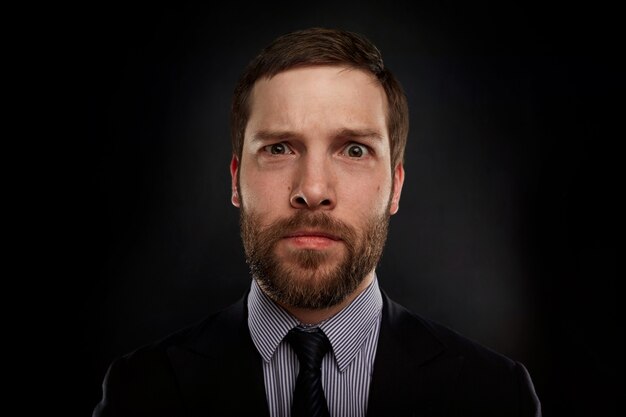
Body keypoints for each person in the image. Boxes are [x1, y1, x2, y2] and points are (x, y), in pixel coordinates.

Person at [93, 27, 541, 417]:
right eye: (279, 148)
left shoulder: (496, 395)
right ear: (235, 182)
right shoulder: (140, 391)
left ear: (396, 187)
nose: (312, 189)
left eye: (353, 150)